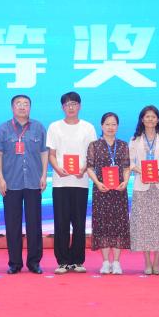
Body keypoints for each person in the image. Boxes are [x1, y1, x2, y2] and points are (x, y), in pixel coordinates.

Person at [0, 94, 48, 274]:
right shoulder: (3, 129)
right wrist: (0, 179)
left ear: (30, 107)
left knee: (34, 224)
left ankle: (34, 262)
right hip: (11, 182)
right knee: (12, 224)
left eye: (26, 104)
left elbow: (44, 153)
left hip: (34, 181)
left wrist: (44, 175)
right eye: (18, 104)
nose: (22, 106)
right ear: (12, 107)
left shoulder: (38, 127)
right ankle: (14, 263)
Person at [47, 91, 98, 274]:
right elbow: (51, 154)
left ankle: (77, 260)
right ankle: (62, 261)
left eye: (74, 104)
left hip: (81, 181)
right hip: (60, 182)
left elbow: (92, 154)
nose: (71, 107)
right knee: (61, 223)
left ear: (80, 106)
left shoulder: (88, 127)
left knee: (78, 222)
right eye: (67, 104)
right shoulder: (54, 127)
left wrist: (84, 169)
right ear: (62, 107)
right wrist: (57, 169)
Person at [128, 105, 159, 275]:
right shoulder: (135, 139)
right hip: (141, 186)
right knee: (144, 225)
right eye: (147, 116)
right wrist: (140, 171)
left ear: (158, 119)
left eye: (153, 117)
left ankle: (157, 262)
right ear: (142, 119)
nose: (150, 119)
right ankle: (147, 262)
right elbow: (129, 162)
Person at [86, 112, 131, 275]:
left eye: (113, 124)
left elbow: (126, 167)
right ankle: (105, 262)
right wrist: (97, 183)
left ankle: (117, 262)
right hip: (102, 190)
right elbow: (89, 167)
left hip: (119, 191)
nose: (110, 127)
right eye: (107, 124)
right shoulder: (94, 145)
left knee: (119, 224)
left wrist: (125, 182)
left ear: (117, 126)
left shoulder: (123, 145)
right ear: (102, 126)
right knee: (102, 224)